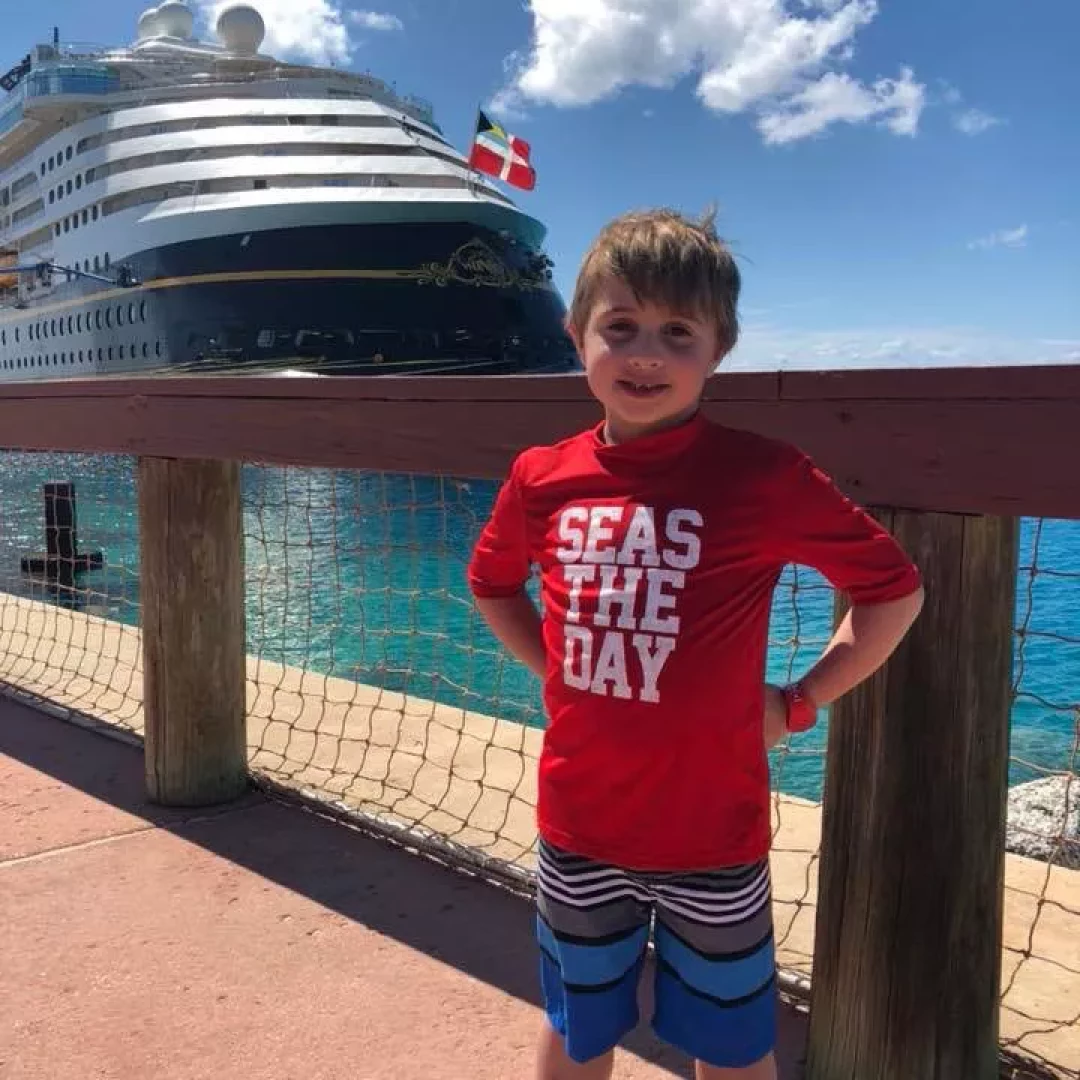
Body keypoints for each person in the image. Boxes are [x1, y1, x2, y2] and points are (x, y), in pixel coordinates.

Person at [466, 208, 924, 1080]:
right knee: (575, 1027)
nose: (645, 354)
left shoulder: (763, 474)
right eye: (621, 326)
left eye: (678, 333)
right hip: (579, 829)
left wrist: (799, 702)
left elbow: (893, 589)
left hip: (714, 839)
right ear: (577, 335)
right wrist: (555, 667)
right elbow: (492, 584)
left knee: (732, 1044)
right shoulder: (541, 475)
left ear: (720, 349)